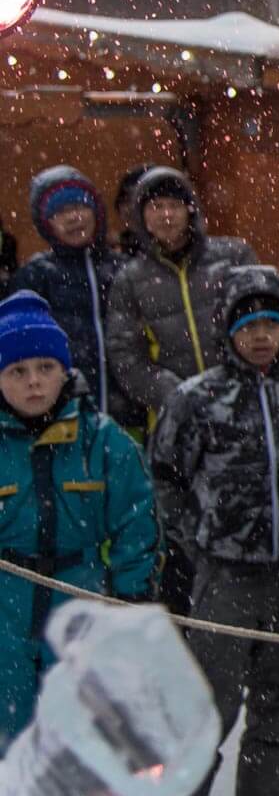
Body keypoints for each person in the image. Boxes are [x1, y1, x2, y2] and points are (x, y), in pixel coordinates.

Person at [148, 266, 279, 796]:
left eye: (271, 323)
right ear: (226, 330)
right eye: (248, 324)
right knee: (208, 707)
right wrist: (195, 534)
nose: (260, 335)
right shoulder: (196, 398)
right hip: (225, 579)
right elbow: (165, 475)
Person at [0, 290, 157, 746]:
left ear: (64, 371)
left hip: (81, 602)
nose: (34, 382)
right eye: (18, 371)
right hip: (5, 613)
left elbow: (137, 524)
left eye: (46, 368)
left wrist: (131, 600)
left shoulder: (103, 441)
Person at [103, 165, 257, 614]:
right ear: (140, 217)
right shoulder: (132, 280)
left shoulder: (231, 258)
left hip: (238, 414)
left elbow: (265, 320)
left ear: (191, 210)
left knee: (244, 514)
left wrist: (232, 383)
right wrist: (171, 393)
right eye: (155, 207)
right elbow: (125, 355)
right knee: (181, 528)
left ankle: (256, 618)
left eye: (174, 205)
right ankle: (192, 621)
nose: (166, 216)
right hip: (173, 425)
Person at [7, 167, 128, 428]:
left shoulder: (124, 269)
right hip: (67, 414)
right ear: (46, 223)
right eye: (61, 212)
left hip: (129, 411)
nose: (74, 218)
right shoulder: (36, 275)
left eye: (80, 207)